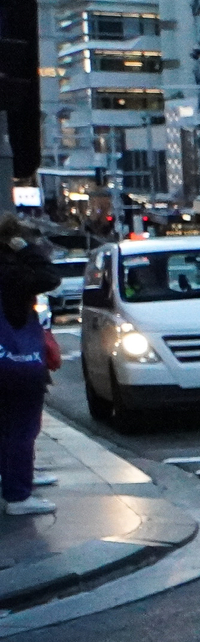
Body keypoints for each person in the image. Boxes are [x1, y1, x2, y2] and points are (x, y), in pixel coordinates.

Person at [1, 220, 61, 516]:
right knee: (22, 426)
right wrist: (26, 250)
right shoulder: (13, 272)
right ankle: (18, 493)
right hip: (15, 362)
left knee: (8, 426)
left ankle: (16, 478)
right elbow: (50, 276)